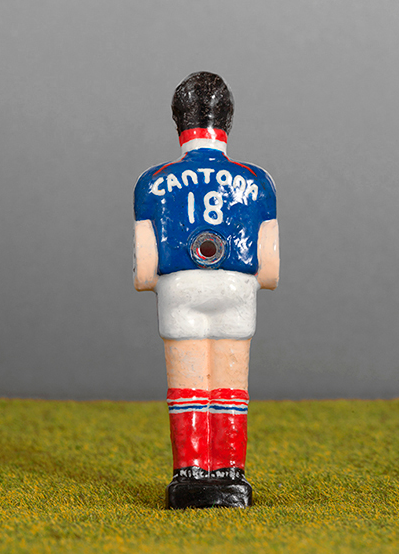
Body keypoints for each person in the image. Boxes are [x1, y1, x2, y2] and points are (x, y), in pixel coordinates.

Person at [133, 71, 279, 508]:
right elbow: (270, 268)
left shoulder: (151, 182)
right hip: (236, 287)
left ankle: (190, 472)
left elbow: (144, 270)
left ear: (178, 120)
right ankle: (231, 473)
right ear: (227, 120)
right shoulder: (258, 181)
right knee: (230, 386)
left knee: (188, 387)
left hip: (180, 289)